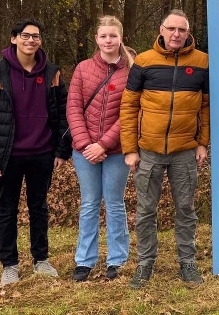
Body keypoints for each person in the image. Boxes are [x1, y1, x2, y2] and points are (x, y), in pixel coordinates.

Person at [0, 19, 71, 286]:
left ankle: (41, 259)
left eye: (36, 36)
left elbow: (63, 115)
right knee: (7, 210)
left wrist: (62, 149)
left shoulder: (52, 73)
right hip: (7, 156)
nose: (31, 41)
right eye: (25, 36)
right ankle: (10, 265)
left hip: (42, 153)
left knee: (39, 208)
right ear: (13, 38)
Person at [120, 9, 210, 289]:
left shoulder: (202, 62)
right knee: (146, 210)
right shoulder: (144, 62)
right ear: (161, 30)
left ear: (188, 32)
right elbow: (129, 106)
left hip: (185, 150)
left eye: (181, 30)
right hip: (148, 150)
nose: (176, 35)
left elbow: (206, 106)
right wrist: (130, 149)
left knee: (186, 208)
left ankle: (187, 262)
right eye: (171, 29)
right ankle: (145, 263)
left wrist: (203, 143)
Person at [66, 16, 135, 282]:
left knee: (115, 203)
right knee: (90, 204)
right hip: (84, 151)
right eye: (103, 36)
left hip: (117, 150)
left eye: (113, 36)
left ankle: (116, 260)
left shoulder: (131, 69)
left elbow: (130, 112)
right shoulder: (83, 69)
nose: (108, 40)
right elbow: (73, 108)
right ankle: (84, 261)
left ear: (121, 38)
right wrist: (86, 145)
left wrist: (104, 143)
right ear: (96, 39)